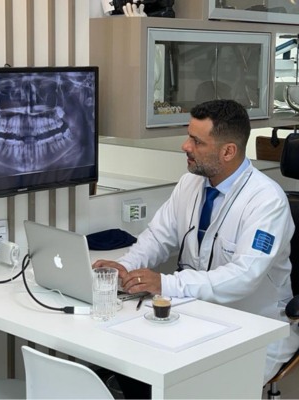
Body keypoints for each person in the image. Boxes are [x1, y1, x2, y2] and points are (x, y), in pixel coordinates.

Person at [93, 99, 299, 398]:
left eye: (196, 141)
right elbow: (157, 237)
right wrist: (126, 265)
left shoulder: (266, 201)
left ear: (228, 151)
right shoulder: (190, 183)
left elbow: (244, 276)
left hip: (252, 328)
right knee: (124, 366)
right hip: (192, 317)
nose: (185, 146)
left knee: (178, 387)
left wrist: (165, 282)